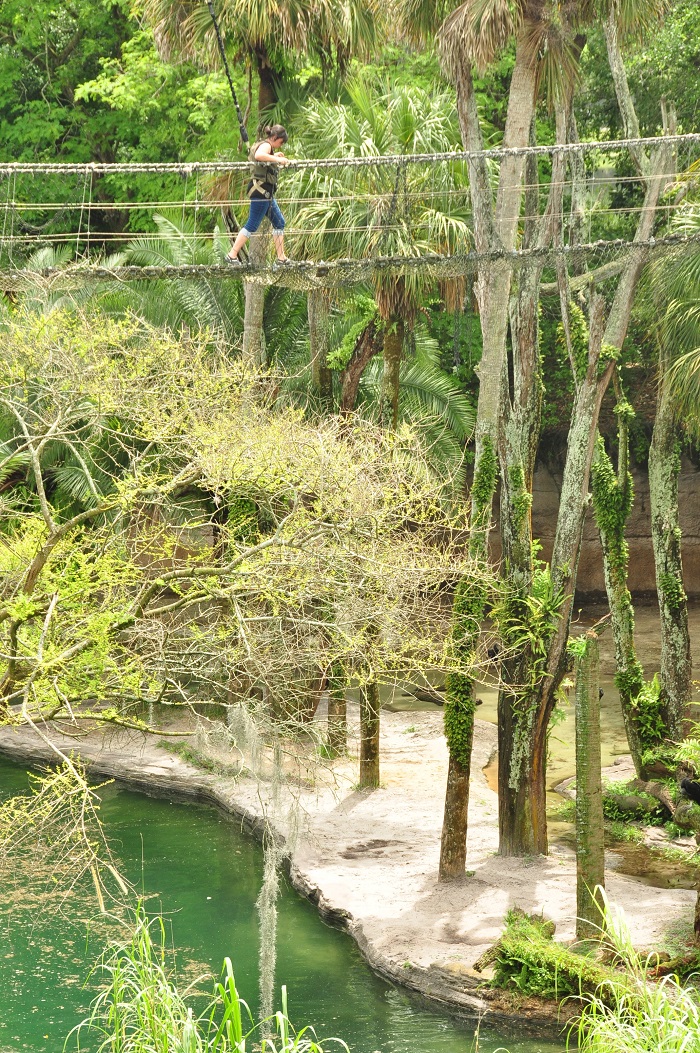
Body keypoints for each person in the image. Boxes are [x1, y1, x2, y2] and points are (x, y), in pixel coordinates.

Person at [226, 125, 292, 266]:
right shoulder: (266, 145)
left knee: (279, 222)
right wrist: (278, 160)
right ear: (274, 138)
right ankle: (232, 254)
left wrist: (274, 157)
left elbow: (262, 160)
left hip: (266, 193)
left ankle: (281, 258)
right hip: (261, 192)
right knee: (252, 224)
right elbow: (259, 156)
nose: (280, 146)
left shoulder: (265, 145)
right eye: (280, 142)